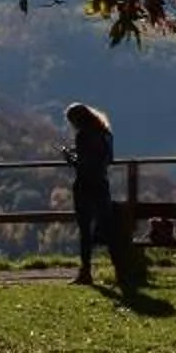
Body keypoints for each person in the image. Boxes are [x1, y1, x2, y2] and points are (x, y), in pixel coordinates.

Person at [64, 102, 116, 284]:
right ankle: (121, 268)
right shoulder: (105, 133)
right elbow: (109, 160)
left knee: (85, 230)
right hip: (102, 184)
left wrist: (70, 158)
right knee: (108, 228)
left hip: (85, 186)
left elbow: (83, 165)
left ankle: (85, 272)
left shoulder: (83, 135)